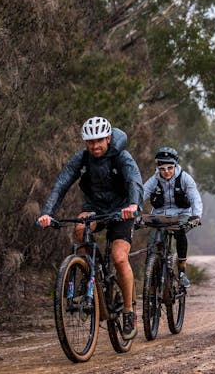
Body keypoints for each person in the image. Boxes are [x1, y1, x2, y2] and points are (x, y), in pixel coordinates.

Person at [37, 116, 143, 340]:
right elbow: (61, 184)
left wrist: (133, 205)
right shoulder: (82, 159)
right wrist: (47, 212)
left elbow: (134, 180)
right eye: (90, 142)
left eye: (99, 141)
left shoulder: (121, 157)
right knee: (79, 227)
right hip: (95, 208)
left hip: (122, 211)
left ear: (108, 137)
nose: (95, 146)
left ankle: (128, 311)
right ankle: (89, 277)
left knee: (119, 257)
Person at [142, 146, 203, 288]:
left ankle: (182, 271)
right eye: (162, 168)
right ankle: (152, 270)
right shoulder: (154, 180)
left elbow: (195, 198)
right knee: (152, 241)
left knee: (180, 232)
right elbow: (141, 195)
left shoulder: (185, 179)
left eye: (170, 168)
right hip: (160, 214)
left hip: (182, 213)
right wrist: (132, 209)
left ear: (175, 165)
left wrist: (196, 216)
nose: (166, 172)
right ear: (158, 167)